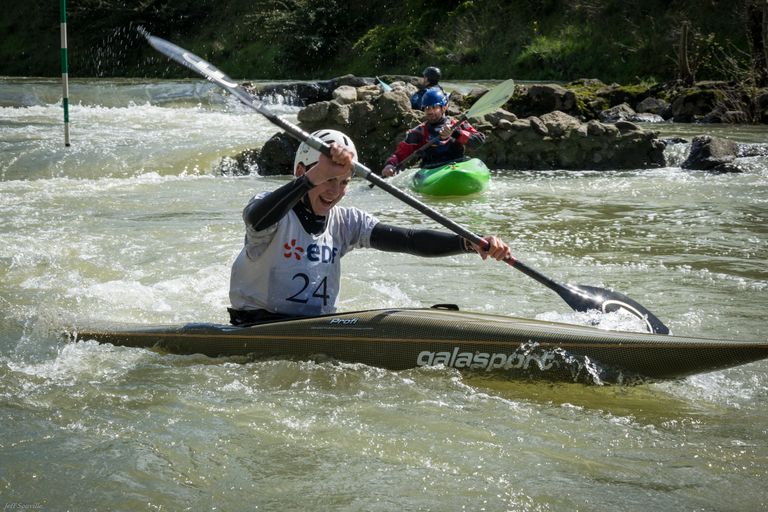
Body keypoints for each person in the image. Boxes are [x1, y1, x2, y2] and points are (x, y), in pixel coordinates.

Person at [228, 129, 512, 325]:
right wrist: (313, 178)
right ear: (302, 172)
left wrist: (468, 242)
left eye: (343, 183)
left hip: (314, 326)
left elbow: (410, 240)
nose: (334, 192)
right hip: (258, 324)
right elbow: (257, 218)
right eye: (328, 180)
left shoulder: (346, 222)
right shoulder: (272, 209)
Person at [382, 88, 486, 178]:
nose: (430, 111)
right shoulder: (418, 132)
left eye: (434, 107)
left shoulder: (459, 124)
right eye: (427, 108)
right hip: (431, 169)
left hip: (458, 163)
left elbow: (479, 140)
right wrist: (390, 165)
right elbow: (400, 154)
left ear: (444, 107)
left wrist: (456, 133)